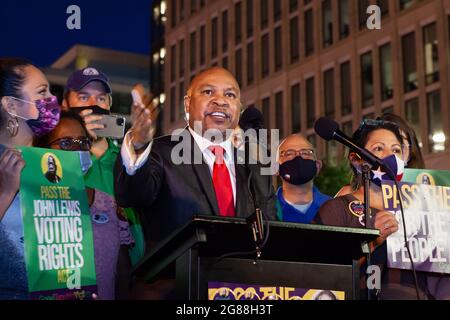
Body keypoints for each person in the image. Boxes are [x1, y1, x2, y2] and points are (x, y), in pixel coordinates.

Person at [115, 66, 277, 247]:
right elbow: (131, 195)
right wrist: (139, 144)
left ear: (239, 108)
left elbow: (270, 231)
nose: (220, 101)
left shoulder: (254, 166)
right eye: (208, 92)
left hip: (242, 274)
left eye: (230, 95)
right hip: (180, 273)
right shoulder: (160, 153)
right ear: (187, 104)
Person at [316, 119, 429, 299]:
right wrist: (373, 241)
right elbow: (322, 276)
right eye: (378, 149)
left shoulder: (423, 209)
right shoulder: (337, 209)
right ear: (356, 159)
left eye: (396, 150)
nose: (390, 157)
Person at [35, 111, 134, 300]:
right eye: (65, 143)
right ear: (42, 150)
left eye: (82, 142)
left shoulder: (109, 204)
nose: (76, 150)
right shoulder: (30, 204)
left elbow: (123, 275)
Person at [62, 67, 144, 266]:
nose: (92, 105)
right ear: (65, 106)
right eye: (83, 98)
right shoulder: (56, 159)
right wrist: (80, 145)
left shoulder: (129, 159)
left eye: (100, 99)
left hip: (133, 276)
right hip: (78, 273)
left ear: (109, 105)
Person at [0, 57, 61, 299]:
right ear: (12, 106)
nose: (52, 100)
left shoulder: (55, 164)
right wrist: (5, 192)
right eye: (42, 91)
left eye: (51, 91)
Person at [275, 133, 331, 223]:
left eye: (305, 153)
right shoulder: (264, 210)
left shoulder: (333, 207)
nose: (298, 157)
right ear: (276, 168)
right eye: (289, 153)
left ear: (318, 166)